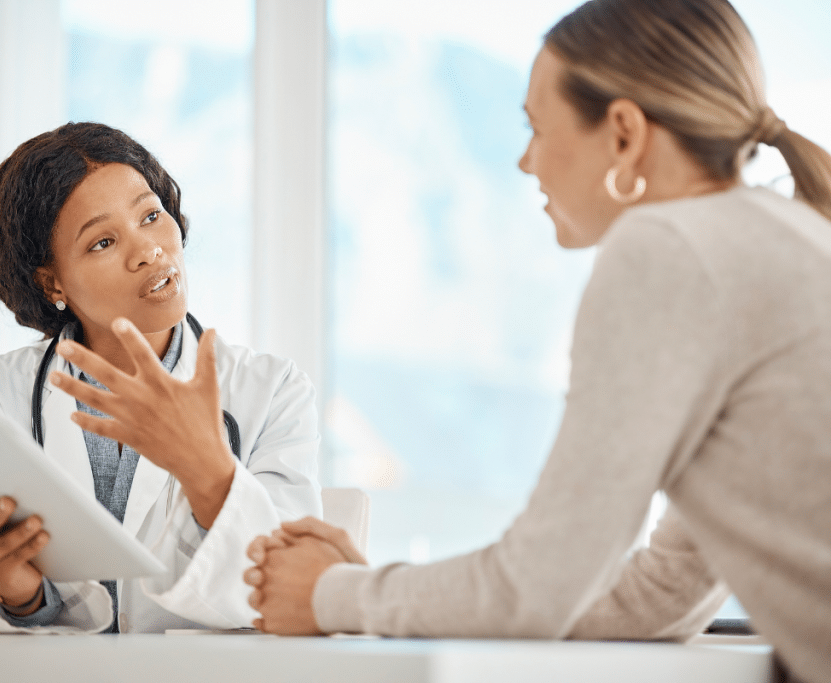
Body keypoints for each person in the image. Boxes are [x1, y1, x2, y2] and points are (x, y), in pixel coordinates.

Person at [243, 1, 831, 681]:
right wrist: (366, 589)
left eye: (537, 127)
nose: (525, 162)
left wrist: (329, 593)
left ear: (623, 134)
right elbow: (663, 595)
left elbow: (539, 585)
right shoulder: (781, 238)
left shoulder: (667, 250)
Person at [0, 122, 322, 633]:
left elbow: (293, 589)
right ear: (51, 279)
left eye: (151, 215)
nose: (148, 250)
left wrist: (210, 471)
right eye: (102, 241)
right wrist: (18, 593)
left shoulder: (272, 391)